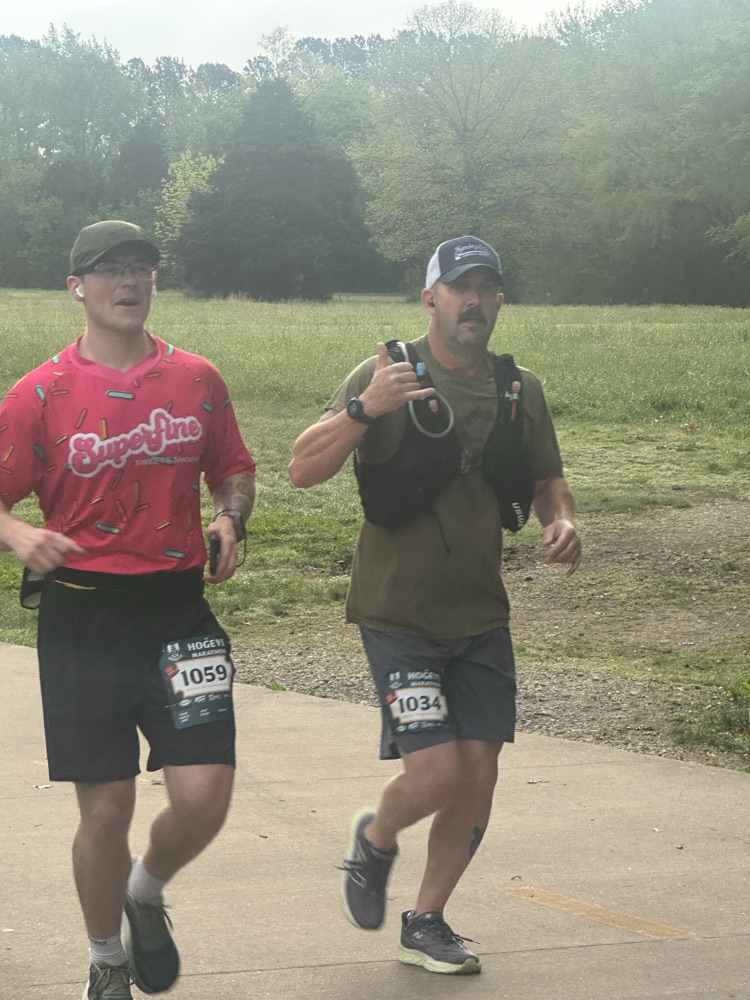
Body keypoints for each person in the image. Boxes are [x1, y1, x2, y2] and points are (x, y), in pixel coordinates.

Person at [288, 235, 581, 976]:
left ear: (500, 301)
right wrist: (364, 407)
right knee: (437, 774)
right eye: (461, 288)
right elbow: (302, 468)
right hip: (397, 615)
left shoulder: (520, 389)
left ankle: (427, 919)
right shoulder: (385, 370)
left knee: (478, 774)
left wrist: (560, 519)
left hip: (482, 616)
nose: (475, 301)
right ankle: (376, 839)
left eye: (488, 288)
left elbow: (548, 478)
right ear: (431, 299)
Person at [0, 221, 257, 1000]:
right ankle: (106, 955)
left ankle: (144, 895)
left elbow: (234, 468)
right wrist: (16, 531)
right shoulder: (37, 395)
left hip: (179, 612)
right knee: (107, 809)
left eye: (141, 268)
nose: (129, 282)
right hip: (84, 617)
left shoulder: (197, 380)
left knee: (205, 798)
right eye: (110, 270)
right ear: (76, 287)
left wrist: (229, 518)